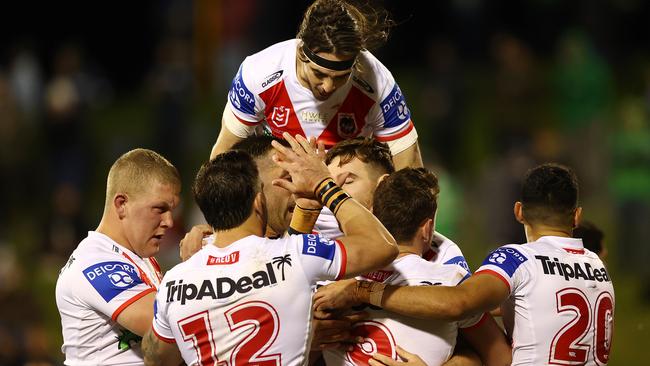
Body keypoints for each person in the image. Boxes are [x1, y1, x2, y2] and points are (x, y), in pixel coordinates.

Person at [315, 163, 616, 365]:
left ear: (519, 211)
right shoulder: (598, 268)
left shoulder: (517, 260)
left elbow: (458, 302)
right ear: (576, 216)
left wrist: (362, 292)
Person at [141, 133, 398, 365]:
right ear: (258, 198)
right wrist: (323, 184)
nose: (294, 190)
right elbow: (382, 246)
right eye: (286, 179)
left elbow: (157, 357)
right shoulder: (296, 255)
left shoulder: (174, 282)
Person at [322, 168, 511, 366]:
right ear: (427, 229)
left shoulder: (333, 277)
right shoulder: (452, 281)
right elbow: (500, 358)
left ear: (372, 216)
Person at [210, 0, 423, 169]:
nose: (328, 86)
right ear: (301, 53)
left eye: (341, 76)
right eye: (319, 74)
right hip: (278, 205)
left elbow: (409, 168)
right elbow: (223, 158)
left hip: (349, 209)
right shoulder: (258, 73)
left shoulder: (378, 82)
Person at [55, 148, 181, 364]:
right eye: (159, 209)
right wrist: (198, 268)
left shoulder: (138, 257)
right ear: (122, 205)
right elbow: (172, 325)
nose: (169, 221)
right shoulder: (95, 263)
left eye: (171, 210)